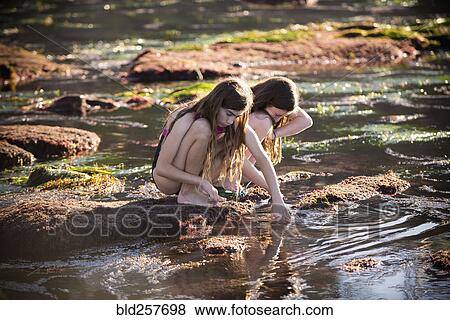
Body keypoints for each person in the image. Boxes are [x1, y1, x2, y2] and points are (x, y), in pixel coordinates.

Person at [151, 78, 289, 222]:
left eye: (237, 116)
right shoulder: (186, 118)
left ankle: (194, 190)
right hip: (168, 180)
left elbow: (261, 158)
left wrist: (277, 198)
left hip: (197, 178)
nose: (230, 121)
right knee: (203, 127)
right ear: (216, 104)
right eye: (229, 114)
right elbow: (162, 168)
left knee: (232, 138)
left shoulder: (234, 123)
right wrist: (201, 182)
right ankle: (188, 192)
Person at [243, 76, 313, 189]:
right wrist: (272, 189)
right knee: (263, 122)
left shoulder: (275, 107)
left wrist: (273, 134)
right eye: (277, 115)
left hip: (242, 167)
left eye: (282, 116)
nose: (276, 120)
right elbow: (240, 161)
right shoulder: (247, 105)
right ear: (266, 101)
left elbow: (306, 121)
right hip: (229, 167)